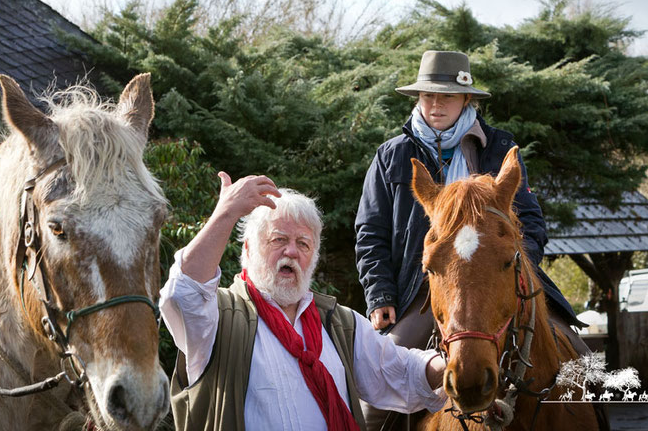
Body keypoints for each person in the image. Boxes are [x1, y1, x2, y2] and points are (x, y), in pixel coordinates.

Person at [355, 50, 589, 429]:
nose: (435, 104)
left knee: (583, 360)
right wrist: (380, 294)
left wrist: (510, 268)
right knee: (378, 397)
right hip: (424, 290)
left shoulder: (500, 147)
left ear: (467, 98)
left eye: (446, 95)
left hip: (501, 280)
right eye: (428, 95)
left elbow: (530, 220)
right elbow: (371, 232)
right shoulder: (390, 156)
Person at [160, 172, 447, 431]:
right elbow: (183, 294)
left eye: (303, 244)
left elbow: (401, 370)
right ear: (247, 249)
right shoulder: (217, 317)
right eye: (278, 240)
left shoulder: (339, 323)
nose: (292, 252)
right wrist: (226, 212)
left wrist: (454, 367)